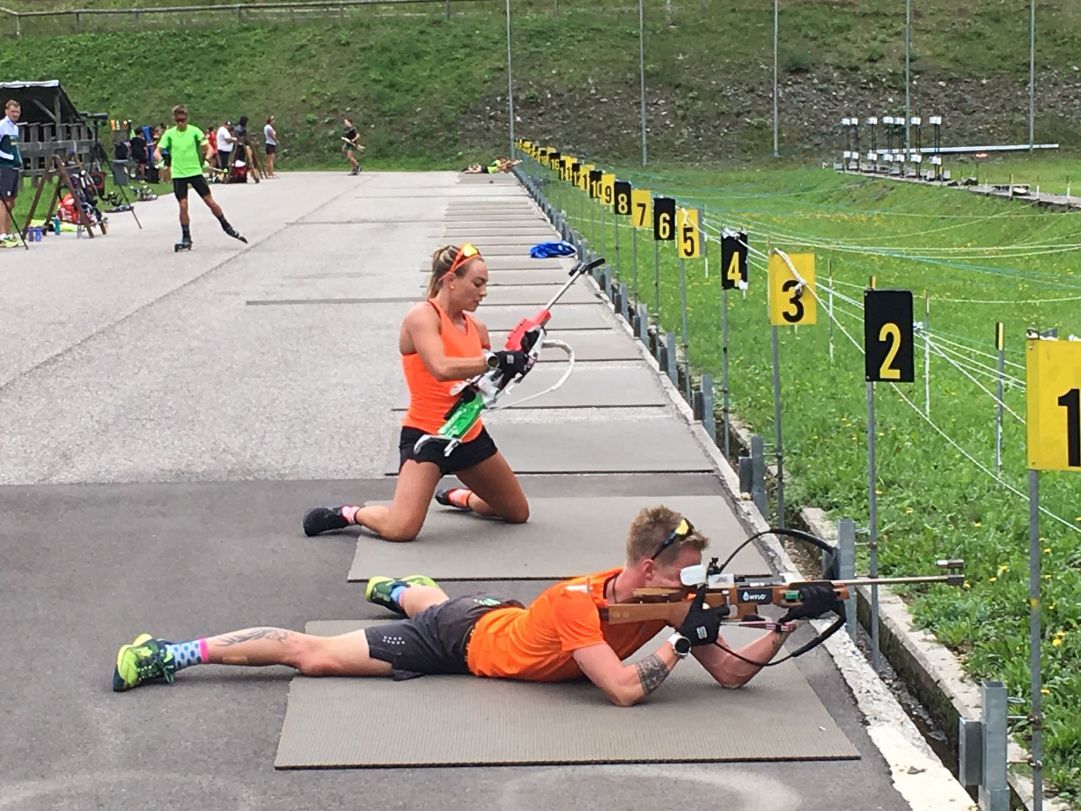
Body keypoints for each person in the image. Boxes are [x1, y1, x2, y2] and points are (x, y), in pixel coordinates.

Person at [111, 506, 838, 704]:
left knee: (451, 599)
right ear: (648, 567)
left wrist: (781, 623)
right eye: (684, 574)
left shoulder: (673, 602)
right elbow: (620, 689)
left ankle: (398, 585)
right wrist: (680, 641)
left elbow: (734, 674)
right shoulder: (580, 605)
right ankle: (172, 651)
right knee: (317, 655)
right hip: (459, 642)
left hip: (502, 615)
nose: (692, 587)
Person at [303, 243, 530, 541]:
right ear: (450, 281)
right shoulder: (422, 316)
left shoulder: (477, 327)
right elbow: (441, 367)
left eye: (485, 284)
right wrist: (494, 360)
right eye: (477, 283)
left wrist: (514, 365)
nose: (483, 292)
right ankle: (348, 513)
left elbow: (483, 384)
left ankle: (459, 498)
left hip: (468, 434)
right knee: (402, 529)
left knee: (516, 513)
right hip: (427, 437)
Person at [153, 105, 246, 251]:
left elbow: (209, 148)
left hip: (195, 171)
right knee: (183, 205)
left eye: (183, 120)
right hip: (179, 174)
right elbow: (157, 152)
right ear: (174, 119)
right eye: (178, 120)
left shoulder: (194, 131)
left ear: (187, 118)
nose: (180, 123)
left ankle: (227, 227)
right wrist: (162, 163)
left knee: (209, 201)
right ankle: (186, 237)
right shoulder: (170, 134)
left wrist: (207, 159)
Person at [0, 99, 23, 247]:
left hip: (14, 168)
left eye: (18, 112)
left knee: (12, 201)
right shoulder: (2, 126)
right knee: (4, 201)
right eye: (13, 112)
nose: (15, 115)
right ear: (6, 111)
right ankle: (2, 234)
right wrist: (9, 157)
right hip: (4, 167)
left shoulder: (15, 128)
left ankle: (8, 233)